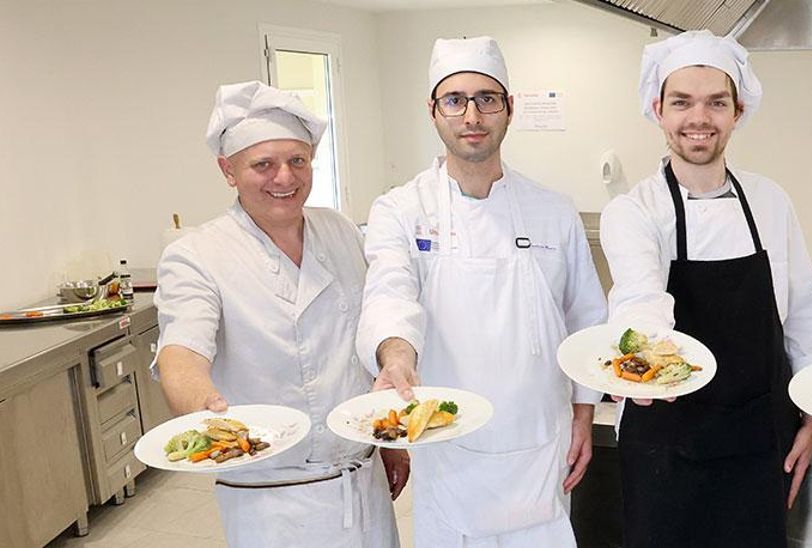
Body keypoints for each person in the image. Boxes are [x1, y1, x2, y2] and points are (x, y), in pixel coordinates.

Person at [356, 36, 607, 547]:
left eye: (486, 99)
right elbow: (390, 293)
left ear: (508, 109)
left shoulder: (553, 210)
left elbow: (586, 318)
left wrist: (584, 414)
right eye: (455, 100)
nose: (471, 114)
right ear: (434, 111)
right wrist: (395, 360)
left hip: (541, 443)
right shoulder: (401, 209)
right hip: (450, 447)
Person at [599, 30, 812, 548]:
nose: (698, 118)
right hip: (665, 446)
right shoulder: (635, 212)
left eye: (715, 102)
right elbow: (641, 298)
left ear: (737, 111)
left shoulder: (770, 202)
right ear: (658, 109)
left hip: (757, 445)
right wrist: (644, 363)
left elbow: (806, 321)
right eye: (681, 102)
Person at [154, 81, 403, 547]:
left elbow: (363, 337)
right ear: (227, 170)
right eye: (262, 164)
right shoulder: (197, 255)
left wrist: (387, 438)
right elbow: (181, 351)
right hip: (271, 499)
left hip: (361, 478)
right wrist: (206, 413)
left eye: (297, 161)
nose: (284, 178)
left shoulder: (340, 230)